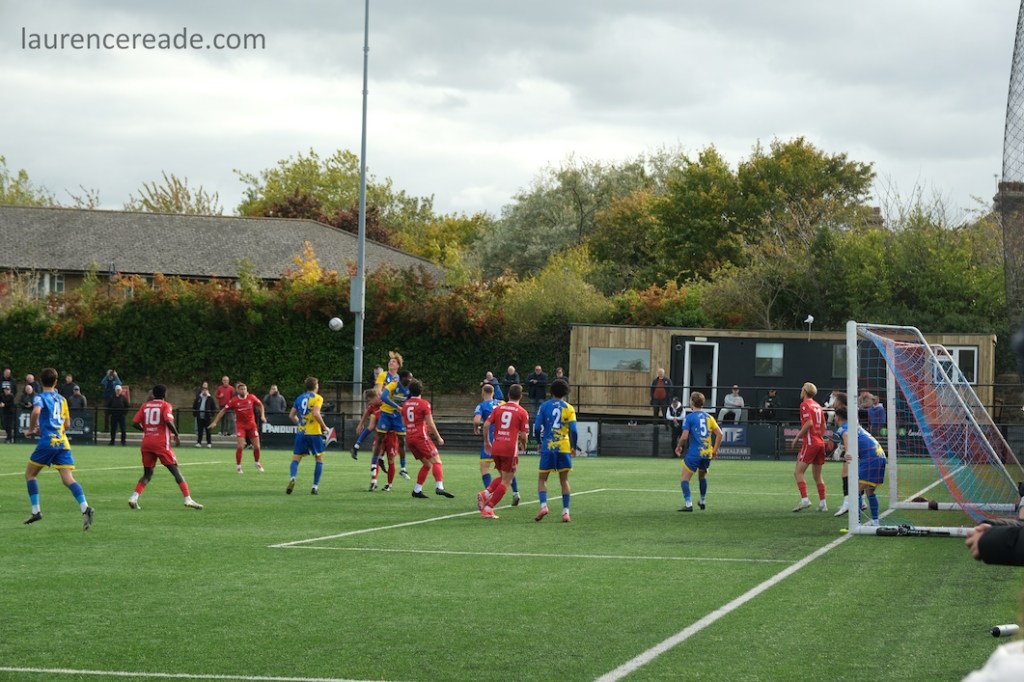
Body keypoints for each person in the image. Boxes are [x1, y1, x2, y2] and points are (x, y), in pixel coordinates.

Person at [22, 367, 94, 530]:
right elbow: (66, 424)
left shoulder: (39, 397)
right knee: (68, 479)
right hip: (62, 442)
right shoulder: (62, 399)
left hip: (48, 442)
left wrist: (32, 429)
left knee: (30, 475)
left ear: (40, 381)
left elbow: (36, 412)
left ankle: (36, 511)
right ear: (56, 382)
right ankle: (85, 508)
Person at [128, 384, 204, 511]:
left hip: (147, 443)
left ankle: (133, 497)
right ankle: (188, 499)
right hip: (161, 444)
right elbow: (168, 421)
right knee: (176, 471)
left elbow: (135, 423)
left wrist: (146, 430)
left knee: (147, 474)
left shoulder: (145, 405)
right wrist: (176, 434)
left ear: (153, 394)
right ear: (164, 394)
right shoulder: (166, 405)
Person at [478, 383, 530, 519]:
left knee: (504, 477)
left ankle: (485, 494)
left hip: (496, 447)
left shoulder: (499, 409)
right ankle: (488, 508)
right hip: (509, 449)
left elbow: (486, 425)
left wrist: (487, 442)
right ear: (521, 396)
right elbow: (523, 435)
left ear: (508, 395)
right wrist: (524, 444)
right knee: (507, 480)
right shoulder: (522, 412)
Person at [833, 405, 886, 526]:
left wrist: (847, 451)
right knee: (870, 492)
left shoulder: (843, 428)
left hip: (871, 458)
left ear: (838, 417)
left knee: (855, 491)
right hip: (879, 455)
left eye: (835, 415)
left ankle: (856, 523)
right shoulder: (855, 425)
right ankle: (875, 521)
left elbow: (846, 435)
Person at [401, 379, 454, 499]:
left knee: (427, 464)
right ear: (421, 391)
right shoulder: (424, 404)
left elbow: (404, 422)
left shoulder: (405, 404)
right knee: (437, 461)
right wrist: (439, 437)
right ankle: (439, 487)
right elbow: (430, 424)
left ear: (410, 391)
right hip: (421, 437)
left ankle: (417, 490)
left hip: (410, 438)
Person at [534, 378, 577, 523]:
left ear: (551, 391)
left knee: (542, 479)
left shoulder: (544, 406)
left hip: (548, 446)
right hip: (563, 447)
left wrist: (539, 443)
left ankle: (544, 506)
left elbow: (537, 427)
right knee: (564, 480)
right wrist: (573, 446)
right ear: (566, 392)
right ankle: (565, 513)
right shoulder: (569, 408)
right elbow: (574, 430)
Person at [674, 391, 723, 511]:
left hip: (695, 453)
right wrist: (714, 451)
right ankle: (702, 500)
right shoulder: (709, 417)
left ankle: (688, 504)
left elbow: (684, 437)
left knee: (684, 479)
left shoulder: (689, 417)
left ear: (692, 402)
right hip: (706, 453)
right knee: (702, 476)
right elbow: (720, 434)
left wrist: (679, 446)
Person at [474, 383, 520, 505]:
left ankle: (488, 494)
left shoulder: (482, 405)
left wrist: (476, 428)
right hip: (504, 440)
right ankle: (515, 492)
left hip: (490, 441)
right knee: (507, 471)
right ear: (493, 393)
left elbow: (477, 420)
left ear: (482, 393)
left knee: (484, 468)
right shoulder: (502, 403)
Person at [210, 382, 267, 474]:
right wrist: (215, 422)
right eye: (241, 389)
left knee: (257, 446)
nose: (243, 391)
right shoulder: (234, 401)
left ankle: (257, 463)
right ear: (238, 390)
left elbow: (260, 405)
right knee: (240, 446)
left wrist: (262, 415)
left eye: (244, 389)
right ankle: (238, 466)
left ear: (247, 390)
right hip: (241, 426)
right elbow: (223, 410)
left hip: (251, 425)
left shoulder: (251, 397)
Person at [286, 376, 330, 495]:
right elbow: (316, 413)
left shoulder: (299, 398)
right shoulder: (318, 398)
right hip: (314, 433)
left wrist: (300, 423)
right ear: (316, 386)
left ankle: (293, 478)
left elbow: (291, 415)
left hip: (301, 433)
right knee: (319, 459)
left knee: (296, 459)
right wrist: (324, 426)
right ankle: (315, 487)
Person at [791, 382, 828, 512]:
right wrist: (818, 436)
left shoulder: (805, 405)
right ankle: (823, 503)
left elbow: (809, 423)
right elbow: (824, 426)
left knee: (798, 472)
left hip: (811, 443)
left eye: (802, 389)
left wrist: (797, 437)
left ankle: (805, 499)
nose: (801, 392)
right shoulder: (818, 406)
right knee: (818, 476)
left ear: (805, 391)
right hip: (820, 443)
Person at [374, 362, 412, 482]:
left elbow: (412, 399)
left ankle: (403, 468)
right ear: (403, 378)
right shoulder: (393, 384)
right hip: (385, 413)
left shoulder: (409, 388)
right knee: (379, 437)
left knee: (402, 440)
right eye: (409, 378)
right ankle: (374, 463)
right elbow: (383, 396)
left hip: (397, 417)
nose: (411, 380)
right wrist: (397, 406)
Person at [192, 382, 217, 448]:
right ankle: (199, 442)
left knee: (208, 430)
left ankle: (209, 443)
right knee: (200, 430)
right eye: (203, 389)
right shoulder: (199, 398)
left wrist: (211, 415)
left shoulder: (210, 398)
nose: (204, 391)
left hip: (207, 417)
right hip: (199, 416)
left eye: (206, 389)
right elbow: (194, 406)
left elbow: (213, 407)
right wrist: (195, 414)